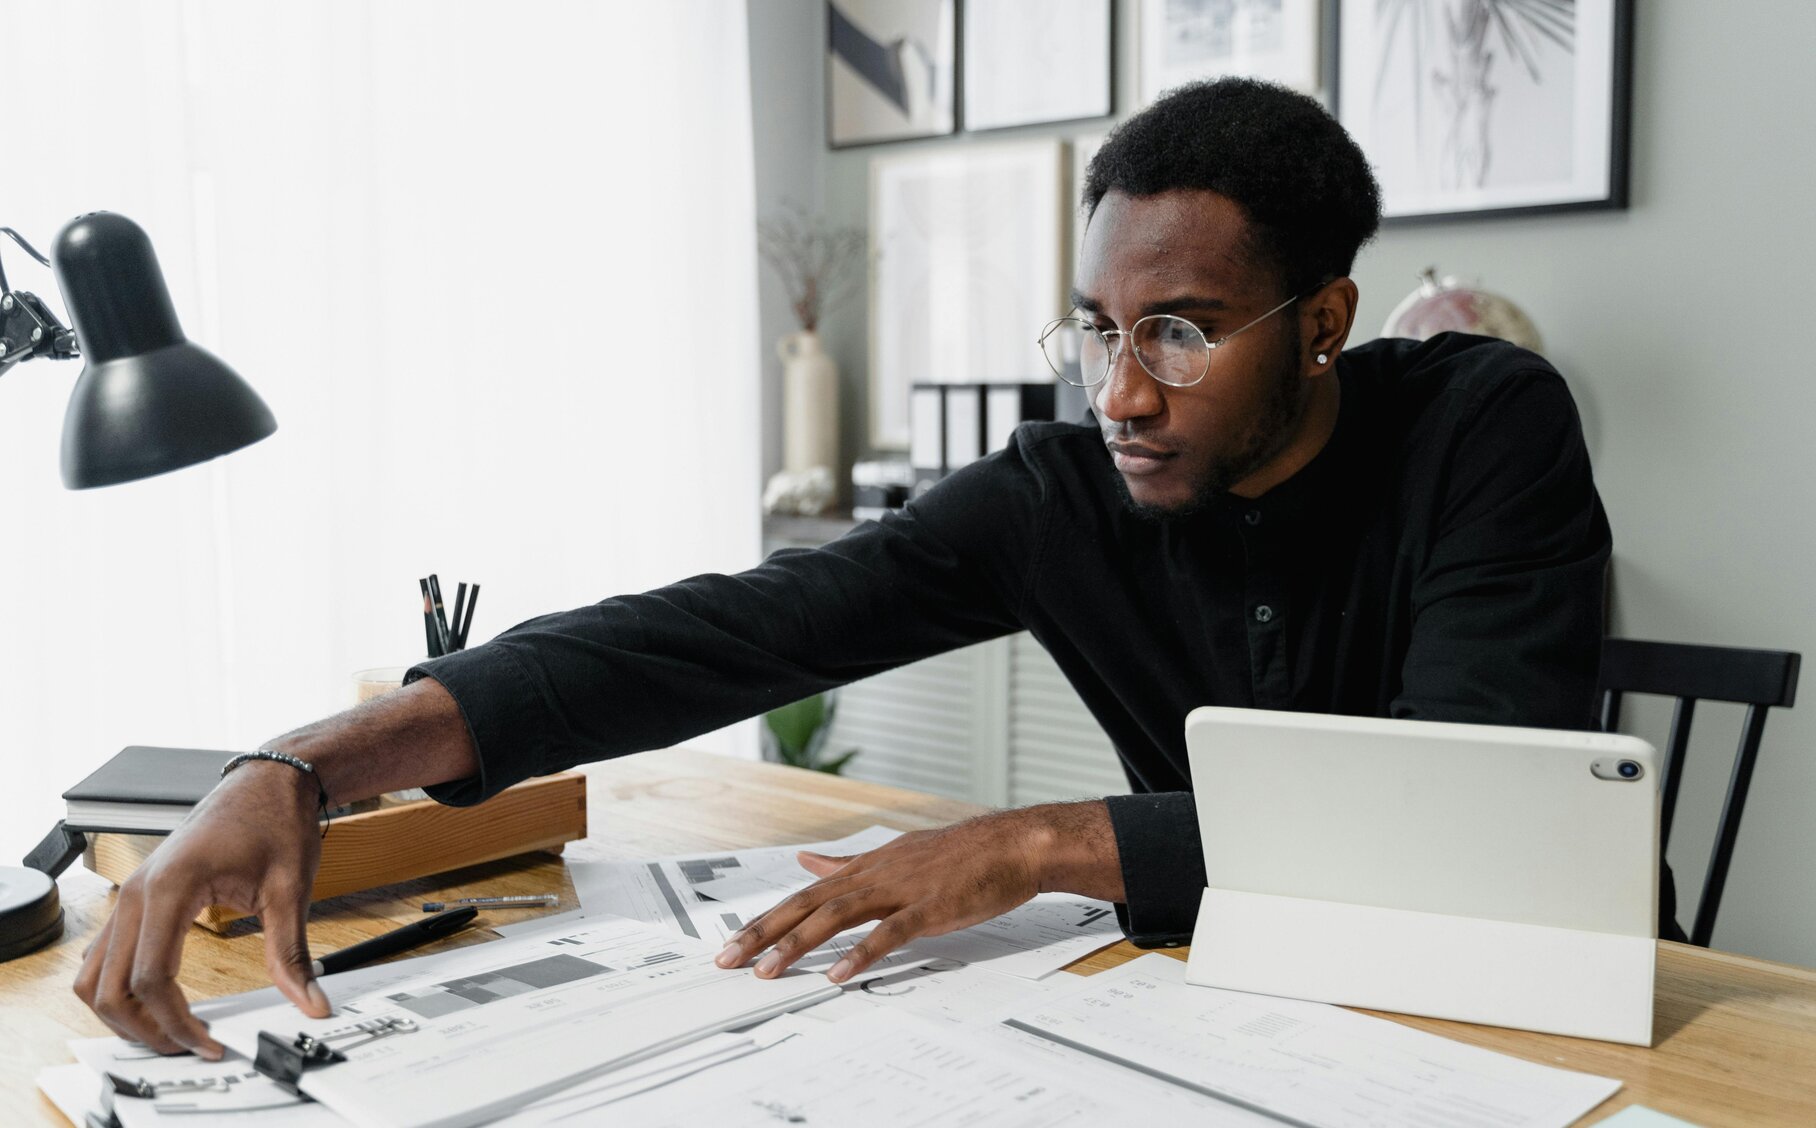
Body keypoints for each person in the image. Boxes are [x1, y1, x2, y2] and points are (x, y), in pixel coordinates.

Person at [76, 77, 1650, 1062]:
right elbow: (731, 636)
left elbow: (1458, 796)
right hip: (1245, 1008)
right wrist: (302, 762)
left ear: (1322, 323)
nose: (1120, 392)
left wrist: (1032, 841)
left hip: (1525, 995)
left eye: (1176, 330)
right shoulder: (1062, 490)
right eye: (1099, 329)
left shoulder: (1484, 421)